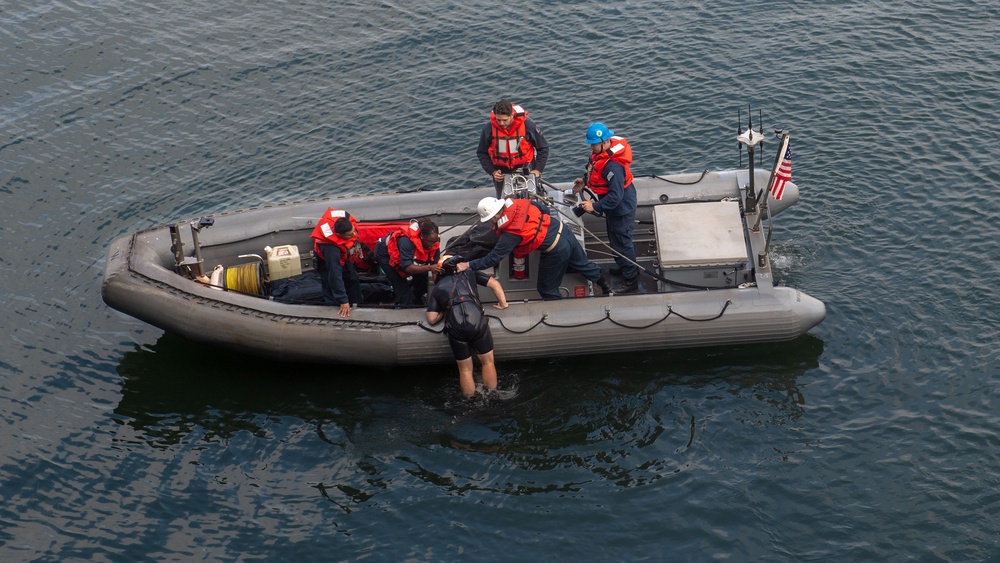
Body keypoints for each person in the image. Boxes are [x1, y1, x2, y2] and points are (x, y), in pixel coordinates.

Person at [457, 197, 610, 299]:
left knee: (546, 289)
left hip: (555, 248)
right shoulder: (516, 203)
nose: (490, 223)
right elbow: (544, 209)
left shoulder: (510, 234)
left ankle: (559, 314)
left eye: (490, 220)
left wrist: (468, 264)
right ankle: (606, 287)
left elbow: (493, 258)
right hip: (562, 229)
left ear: (496, 216)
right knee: (583, 264)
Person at [426, 255, 509, 397]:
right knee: (488, 362)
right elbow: (495, 284)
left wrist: (445, 310)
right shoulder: (470, 273)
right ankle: (492, 396)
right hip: (477, 321)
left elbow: (432, 318)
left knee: (465, 370)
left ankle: (470, 401)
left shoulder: (438, 288)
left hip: (456, 326)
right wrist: (503, 304)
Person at [572, 122, 639, 294]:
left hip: (621, 208)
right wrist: (584, 182)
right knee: (615, 240)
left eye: (594, 143)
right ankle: (624, 267)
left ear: (605, 142)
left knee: (623, 243)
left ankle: (631, 278)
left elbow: (616, 197)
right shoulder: (599, 157)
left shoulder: (613, 167)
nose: (592, 147)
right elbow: (595, 175)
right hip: (613, 206)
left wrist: (594, 206)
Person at [477, 99, 550, 198]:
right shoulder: (488, 129)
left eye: (505, 120)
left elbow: (543, 148)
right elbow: (482, 152)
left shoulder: (528, 126)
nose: (501, 123)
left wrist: (538, 169)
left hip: (527, 171)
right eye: (498, 120)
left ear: (512, 115)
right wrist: (492, 171)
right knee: (505, 201)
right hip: (501, 174)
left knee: (531, 200)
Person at [374, 217, 442, 308]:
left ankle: (417, 300)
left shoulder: (433, 242)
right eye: (430, 242)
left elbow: (435, 267)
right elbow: (407, 268)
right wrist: (430, 268)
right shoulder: (406, 241)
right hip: (385, 254)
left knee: (421, 279)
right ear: (422, 236)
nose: (433, 245)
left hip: (409, 256)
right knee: (402, 289)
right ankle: (404, 306)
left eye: (435, 241)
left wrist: (438, 288)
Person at [310, 207, 364, 317]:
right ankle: (333, 311)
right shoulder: (331, 249)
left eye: (353, 231)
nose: (353, 235)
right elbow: (335, 275)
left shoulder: (343, 219)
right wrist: (343, 300)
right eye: (349, 235)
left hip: (344, 256)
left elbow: (352, 235)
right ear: (339, 235)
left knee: (353, 278)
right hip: (327, 262)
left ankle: (358, 304)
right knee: (330, 284)